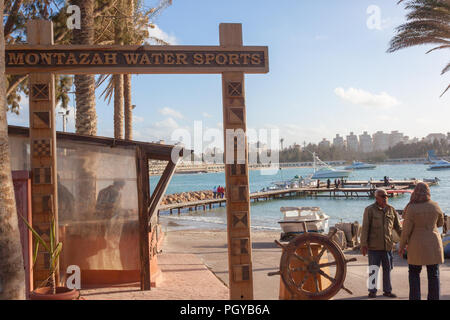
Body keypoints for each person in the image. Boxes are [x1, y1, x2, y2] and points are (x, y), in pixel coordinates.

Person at [398, 182, 444, 300]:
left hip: (416, 244)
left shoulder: (411, 208)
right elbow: (440, 223)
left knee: (414, 273)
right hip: (433, 244)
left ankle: (415, 297)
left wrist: (401, 246)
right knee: (433, 274)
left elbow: (406, 230)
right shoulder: (435, 205)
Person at [360, 189, 402, 298]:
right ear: (376, 198)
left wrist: (405, 240)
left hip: (387, 246)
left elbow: (398, 228)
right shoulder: (369, 210)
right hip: (374, 246)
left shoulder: (391, 210)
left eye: (387, 196)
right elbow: (365, 228)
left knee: (388, 269)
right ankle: (372, 291)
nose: (385, 198)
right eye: (383, 196)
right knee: (373, 268)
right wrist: (363, 244)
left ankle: (387, 291)